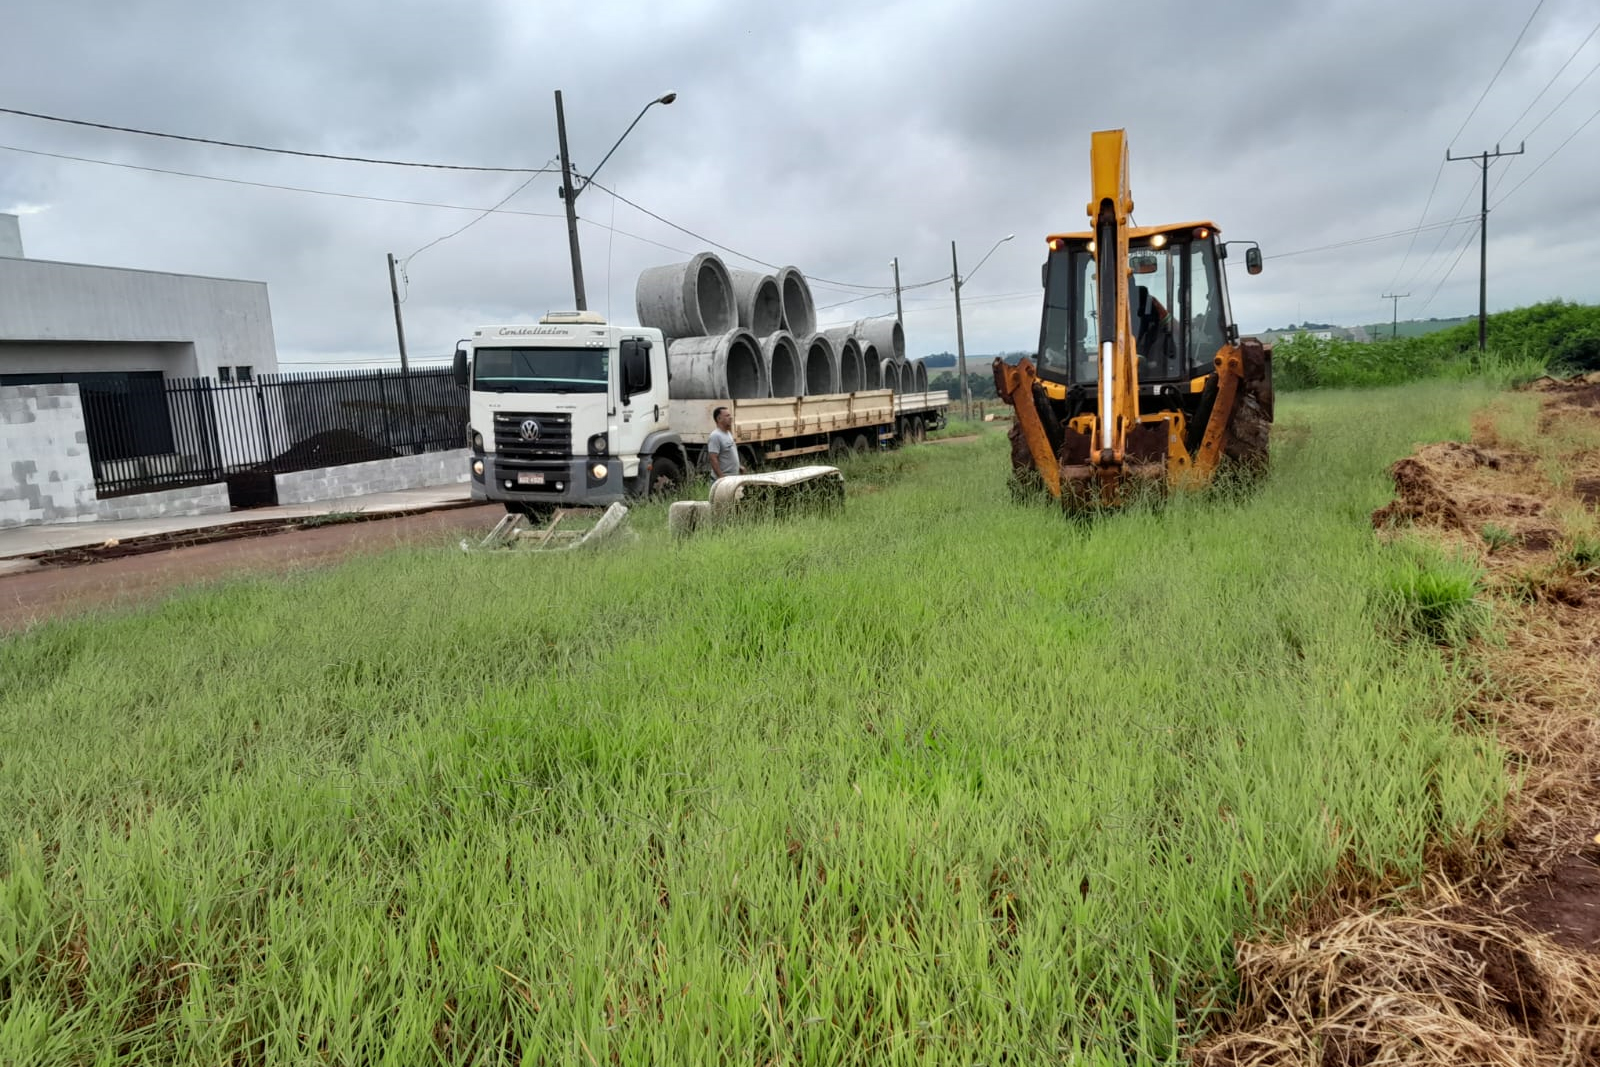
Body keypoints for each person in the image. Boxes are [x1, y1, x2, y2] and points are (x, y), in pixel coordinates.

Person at [708, 405, 739, 480]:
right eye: (727, 416)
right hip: (723, 480)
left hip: (732, 478)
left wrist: (738, 467)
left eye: (730, 415)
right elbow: (713, 458)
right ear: (719, 419)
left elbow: (728, 454)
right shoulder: (715, 436)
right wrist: (721, 477)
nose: (730, 417)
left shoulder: (728, 433)